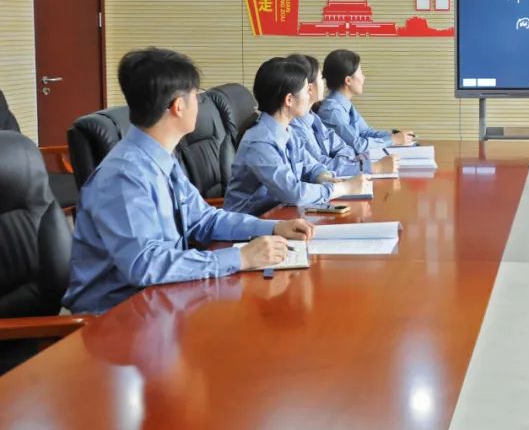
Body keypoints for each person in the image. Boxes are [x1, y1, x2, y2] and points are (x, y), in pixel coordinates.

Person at [63, 48, 315, 314]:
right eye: (196, 95)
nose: (199, 104)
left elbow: (204, 220)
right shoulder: (123, 176)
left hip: (162, 301)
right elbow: (144, 265)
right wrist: (240, 257)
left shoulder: (161, 160)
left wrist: (274, 228)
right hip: (117, 317)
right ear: (178, 106)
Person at [224, 57, 371, 216]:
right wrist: (343, 188)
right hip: (253, 223)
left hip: (282, 214)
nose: (309, 95)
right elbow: (293, 192)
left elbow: (311, 166)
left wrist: (326, 178)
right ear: (289, 100)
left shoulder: (288, 131)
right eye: (306, 90)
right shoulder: (260, 142)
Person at [317, 49, 415, 156]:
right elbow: (358, 146)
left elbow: (365, 133)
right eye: (361, 72)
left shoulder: (344, 105)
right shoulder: (332, 111)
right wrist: (393, 140)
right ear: (348, 80)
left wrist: (393, 135)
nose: (364, 77)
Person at [284, 54, 363, 177]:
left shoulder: (313, 118)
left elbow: (344, 147)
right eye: (321, 78)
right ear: (309, 88)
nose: (324, 83)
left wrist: (342, 161)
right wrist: (365, 166)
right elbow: (320, 165)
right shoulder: (295, 127)